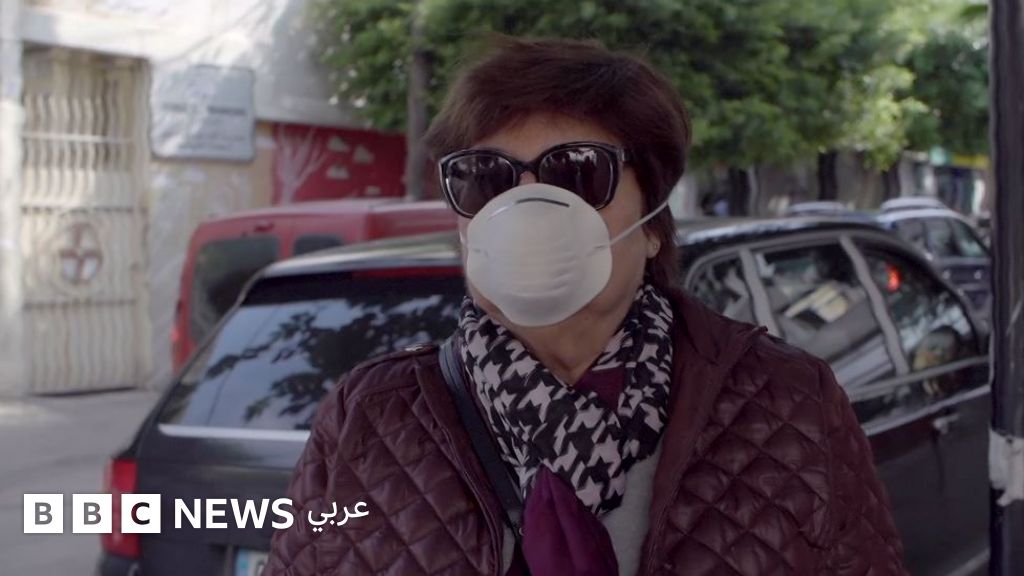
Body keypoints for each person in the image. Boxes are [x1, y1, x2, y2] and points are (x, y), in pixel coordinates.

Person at [265, 36, 906, 576]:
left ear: (653, 225)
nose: (525, 209)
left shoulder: (788, 402)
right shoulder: (369, 417)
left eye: (576, 172)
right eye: (485, 177)